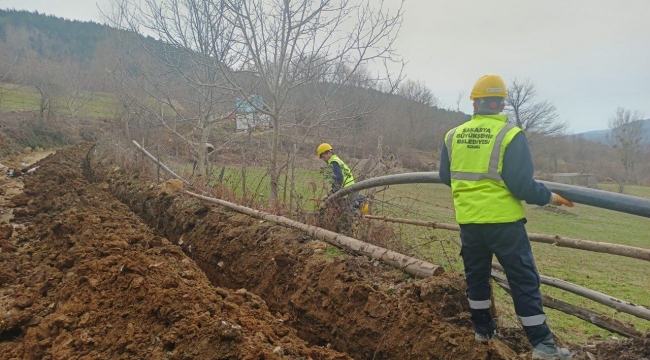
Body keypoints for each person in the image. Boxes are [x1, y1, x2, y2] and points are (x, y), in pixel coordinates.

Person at [439, 74, 573, 360]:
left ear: (474, 102)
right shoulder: (511, 135)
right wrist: (551, 197)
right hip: (504, 224)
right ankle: (543, 346)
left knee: (476, 279)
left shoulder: (452, 136)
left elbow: (444, 176)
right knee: (523, 281)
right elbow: (522, 185)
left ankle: (483, 332)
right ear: (501, 104)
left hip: (469, 222)